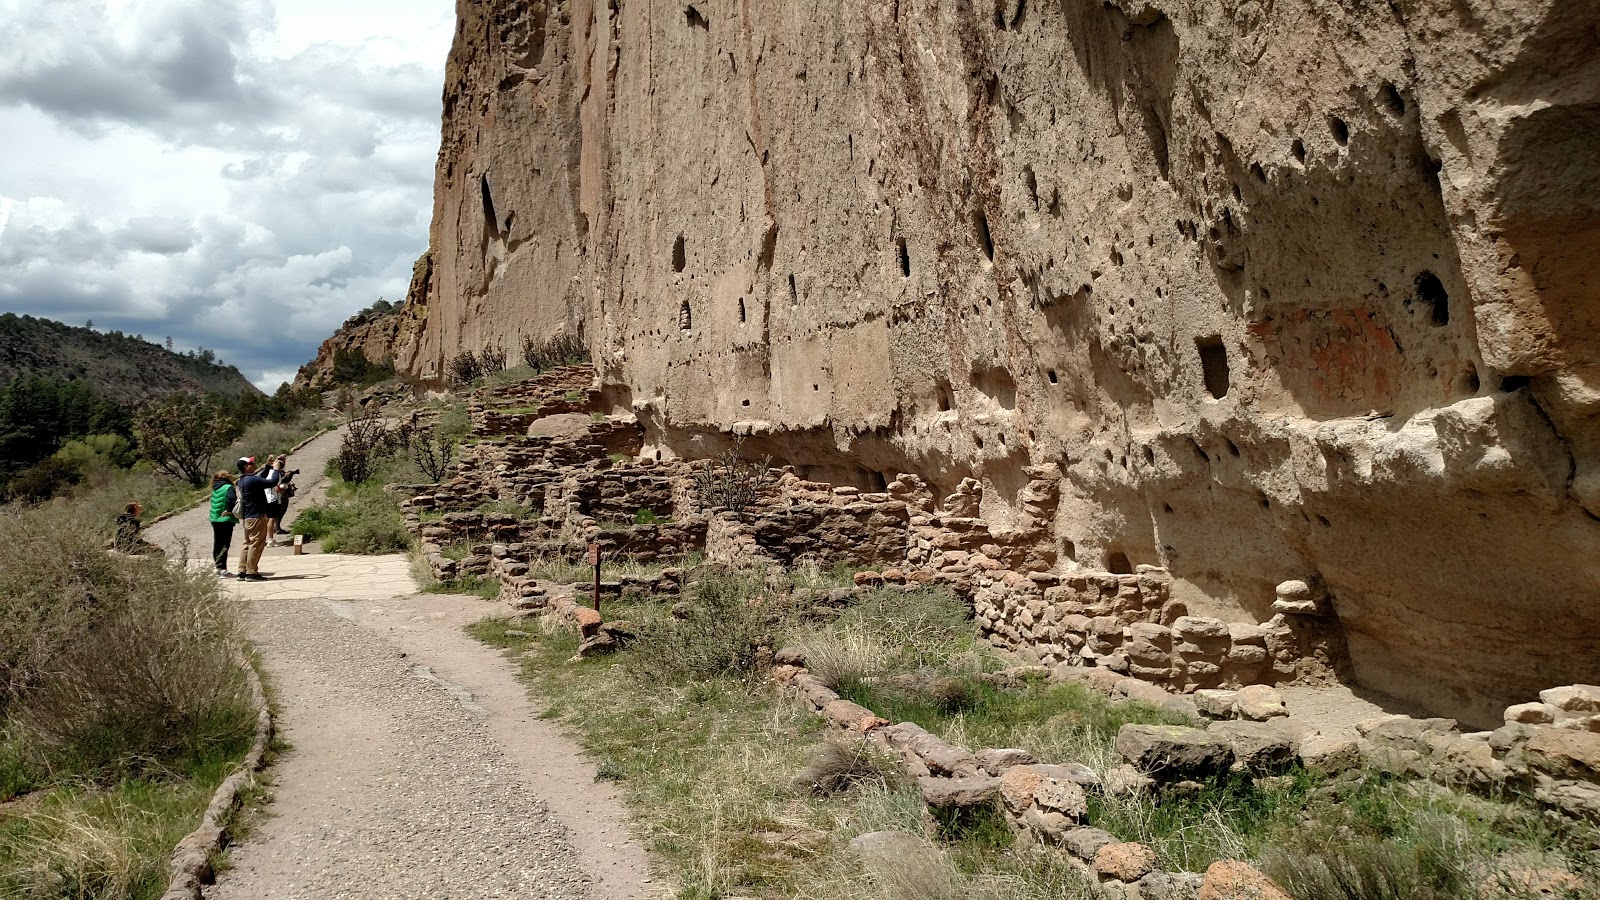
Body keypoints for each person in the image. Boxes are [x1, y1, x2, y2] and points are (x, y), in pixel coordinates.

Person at [235, 456, 272, 581]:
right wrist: (276, 470)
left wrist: (267, 466)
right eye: (251, 463)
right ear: (246, 467)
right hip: (257, 516)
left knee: (247, 543)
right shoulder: (252, 480)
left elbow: (260, 479)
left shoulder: (243, 480)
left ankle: (242, 571)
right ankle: (251, 572)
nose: (254, 464)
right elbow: (272, 482)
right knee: (256, 543)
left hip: (248, 516)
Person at [208, 471, 238, 577]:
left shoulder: (215, 488)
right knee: (225, 544)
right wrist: (229, 510)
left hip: (215, 519)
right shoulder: (228, 487)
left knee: (217, 544)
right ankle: (223, 569)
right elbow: (231, 499)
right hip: (225, 519)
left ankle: (218, 567)